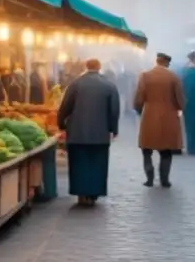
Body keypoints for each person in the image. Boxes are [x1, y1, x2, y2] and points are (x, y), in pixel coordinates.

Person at [57, 58, 120, 206]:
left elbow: (65, 107)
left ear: (86, 67)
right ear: (99, 67)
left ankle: (81, 193)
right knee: (97, 165)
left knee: (79, 164)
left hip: (77, 134)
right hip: (100, 135)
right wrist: (113, 129)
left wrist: (61, 124)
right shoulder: (109, 86)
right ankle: (94, 192)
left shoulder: (75, 84)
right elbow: (114, 111)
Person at [134, 53, 185, 187]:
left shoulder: (145, 76)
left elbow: (139, 98)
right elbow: (180, 100)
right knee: (166, 151)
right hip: (169, 117)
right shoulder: (174, 77)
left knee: (146, 150)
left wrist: (139, 110)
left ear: (156, 61)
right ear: (167, 63)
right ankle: (165, 179)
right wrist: (180, 107)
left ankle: (149, 178)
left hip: (149, 116)